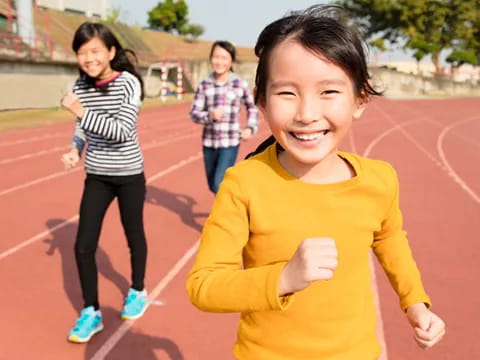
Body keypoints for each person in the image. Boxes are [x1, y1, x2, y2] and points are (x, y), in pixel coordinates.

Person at [186, 5, 445, 359]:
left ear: (360, 99)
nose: (307, 114)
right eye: (287, 93)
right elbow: (204, 285)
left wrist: (415, 301)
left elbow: (389, 237)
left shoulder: (379, 180)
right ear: (261, 102)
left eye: (329, 92)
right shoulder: (244, 184)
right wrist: (283, 278)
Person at [60, 22, 149, 343]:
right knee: (82, 245)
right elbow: (82, 128)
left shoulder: (128, 84)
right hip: (97, 175)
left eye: (95, 51)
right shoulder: (80, 86)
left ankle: (138, 289)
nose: (89, 58)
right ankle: (90, 312)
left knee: (133, 234)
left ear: (111, 52)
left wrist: (81, 111)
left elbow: (121, 130)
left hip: (128, 175)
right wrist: (75, 149)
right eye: (82, 53)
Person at [189, 40, 259, 194]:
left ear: (231, 61)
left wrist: (250, 127)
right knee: (212, 184)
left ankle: (226, 214)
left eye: (224, 58)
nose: (219, 62)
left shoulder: (239, 84)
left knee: (218, 184)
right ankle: (228, 205)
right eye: (216, 57)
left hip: (230, 141)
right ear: (211, 59)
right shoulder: (204, 85)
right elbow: (194, 113)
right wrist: (209, 115)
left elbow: (252, 107)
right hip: (209, 141)